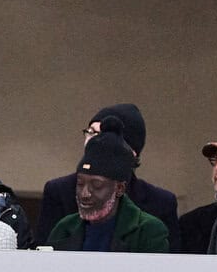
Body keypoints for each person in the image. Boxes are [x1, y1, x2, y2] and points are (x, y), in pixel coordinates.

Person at [37, 104, 179, 248]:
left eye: (102, 135)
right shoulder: (63, 218)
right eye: (90, 132)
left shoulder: (156, 212)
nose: (93, 141)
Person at [46, 132, 170, 252]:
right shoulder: (64, 228)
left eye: (96, 185)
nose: (85, 194)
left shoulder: (148, 230)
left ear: (120, 188)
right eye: (80, 184)